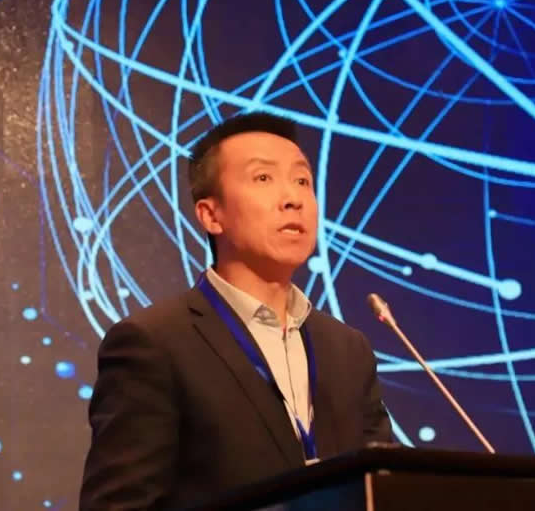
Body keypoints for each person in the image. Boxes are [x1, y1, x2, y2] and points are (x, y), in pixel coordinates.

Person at [79, 112, 391, 510]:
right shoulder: (155, 344)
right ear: (211, 215)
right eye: (263, 178)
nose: (293, 198)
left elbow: (386, 489)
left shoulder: (347, 349)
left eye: (302, 181)